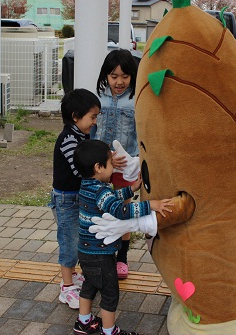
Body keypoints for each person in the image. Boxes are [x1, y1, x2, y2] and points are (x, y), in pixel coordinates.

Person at [72, 139, 173, 335]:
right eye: (110, 164)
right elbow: (120, 210)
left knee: (89, 285)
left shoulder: (87, 186)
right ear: (98, 167)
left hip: (85, 252)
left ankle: (83, 323)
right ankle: (110, 331)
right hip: (101, 255)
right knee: (110, 293)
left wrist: (131, 188)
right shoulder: (101, 191)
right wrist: (150, 205)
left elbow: (109, 200)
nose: (113, 168)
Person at [50, 88, 101, 309]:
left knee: (77, 238)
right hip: (65, 200)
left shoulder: (81, 134)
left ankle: (71, 275)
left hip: (75, 197)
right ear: (75, 116)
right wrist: (102, 171)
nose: (94, 121)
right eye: (92, 117)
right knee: (68, 242)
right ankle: (67, 287)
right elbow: (80, 170)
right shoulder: (68, 140)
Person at [90, 49, 139, 279]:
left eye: (125, 76)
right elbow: (92, 131)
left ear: (132, 76)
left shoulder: (136, 99)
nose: (119, 81)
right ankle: (102, 253)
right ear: (105, 76)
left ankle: (122, 258)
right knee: (98, 207)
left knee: (123, 211)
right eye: (113, 76)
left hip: (125, 166)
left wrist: (135, 161)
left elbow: (141, 134)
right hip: (100, 165)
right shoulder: (99, 97)